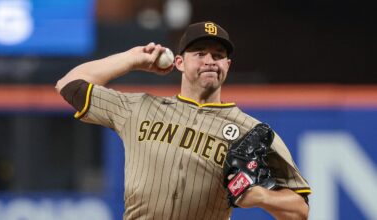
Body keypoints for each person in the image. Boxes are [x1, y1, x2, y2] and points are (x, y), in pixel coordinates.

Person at [56, 21, 311, 220]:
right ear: (179, 62)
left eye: (218, 55)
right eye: (200, 53)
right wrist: (132, 59)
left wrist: (259, 196)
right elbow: (68, 84)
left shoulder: (251, 131)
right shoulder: (139, 108)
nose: (210, 61)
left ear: (228, 65)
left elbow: (300, 210)